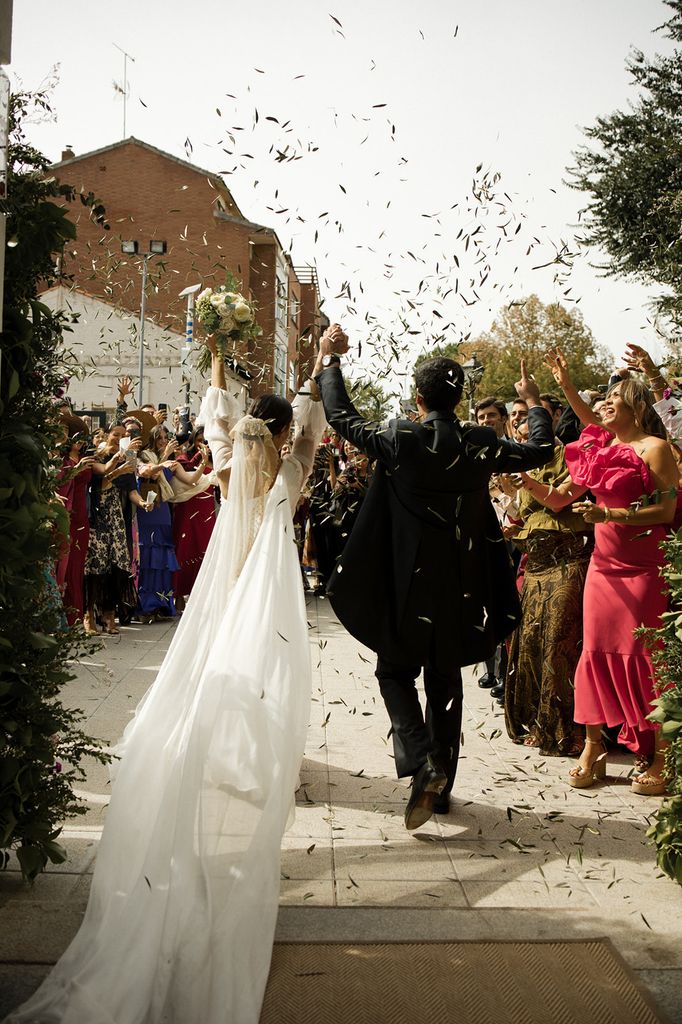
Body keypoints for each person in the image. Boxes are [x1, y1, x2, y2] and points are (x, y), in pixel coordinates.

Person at [6, 335, 327, 1024]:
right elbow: (307, 430)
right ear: (281, 435)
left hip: (224, 596)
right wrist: (322, 364)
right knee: (263, 680)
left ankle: (217, 745)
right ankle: (262, 758)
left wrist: (217, 353)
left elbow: (218, 415)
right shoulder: (288, 479)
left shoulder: (229, 467)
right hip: (268, 607)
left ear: (250, 430)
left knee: (219, 674)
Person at [314, 327, 554, 829]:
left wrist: (331, 361)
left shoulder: (400, 438)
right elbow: (540, 450)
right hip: (463, 582)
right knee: (445, 680)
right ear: (459, 399)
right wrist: (533, 403)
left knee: (394, 672)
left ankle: (424, 761)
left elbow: (341, 417)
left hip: (407, 582)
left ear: (418, 398)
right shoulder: (481, 443)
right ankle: (439, 788)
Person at [544, 351, 677, 793]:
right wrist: (565, 384)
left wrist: (609, 514)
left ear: (636, 406)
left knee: (647, 656)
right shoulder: (605, 447)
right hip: (603, 567)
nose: (604, 402)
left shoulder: (657, 448)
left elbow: (666, 510)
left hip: (644, 567)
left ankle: (661, 756)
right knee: (595, 651)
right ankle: (593, 748)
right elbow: (588, 420)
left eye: (613, 397)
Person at [135, 425, 208, 621]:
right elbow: (149, 473)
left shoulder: (172, 462)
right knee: (148, 557)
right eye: (159, 437)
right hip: (147, 511)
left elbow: (191, 480)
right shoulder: (143, 457)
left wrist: (203, 462)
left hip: (163, 512)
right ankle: (146, 605)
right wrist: (165, 456)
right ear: (152, 439)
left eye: (165, 438)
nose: (163, 441)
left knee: (162, 559)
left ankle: (161, 604)